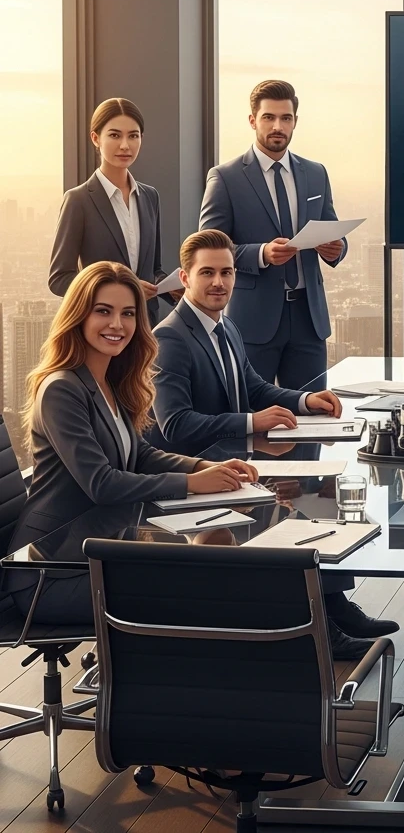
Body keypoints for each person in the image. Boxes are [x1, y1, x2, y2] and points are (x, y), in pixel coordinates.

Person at [5, 261, 258, 625]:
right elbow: (102, 484)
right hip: (52, 571)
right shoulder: (62, 388)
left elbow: (138, 454)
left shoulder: (110, 379)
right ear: (78, 316)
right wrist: (191, 484)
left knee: (218, 554)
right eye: (103, 311)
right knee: (201, 585)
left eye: (127, 314)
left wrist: (202, 468)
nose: (117, 325)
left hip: (101, 545)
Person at [198, 79, 346, 395]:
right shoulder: (226, 177)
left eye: (285, 118)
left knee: (314, 417)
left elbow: (333, 229)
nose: (277, 126)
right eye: (269, 117)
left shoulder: (316, 172)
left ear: (295, 122)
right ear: (253, 120)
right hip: (253, 321)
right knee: (254, 422)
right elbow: (207, 249)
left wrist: (335, 249)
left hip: (309, 321)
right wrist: (261, 253)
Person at [152, 229, 343, 451]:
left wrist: (306, 400)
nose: (218, 282)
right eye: (207, 273)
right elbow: (176, 424)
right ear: (185, 278)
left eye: (226, 273)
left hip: (232, 465)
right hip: (191, 474)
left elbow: (255, 390)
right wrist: (252, 422)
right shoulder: (169, 337)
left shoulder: (228, 327)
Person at [48, 98, 179, 327]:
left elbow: (153, 270)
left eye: (133, 135)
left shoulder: (150, 197)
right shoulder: (78, 201)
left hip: (144, 328)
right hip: (99, 328)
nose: (125, 145)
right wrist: (121, 290)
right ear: (96, 138)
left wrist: (169, 289)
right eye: (115, 135)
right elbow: (59, 279)